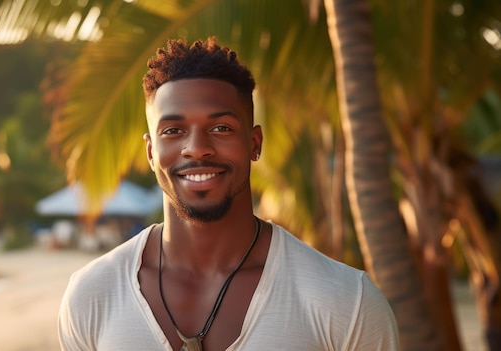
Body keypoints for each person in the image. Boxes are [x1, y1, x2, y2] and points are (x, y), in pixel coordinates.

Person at [58, 37, 400, 351]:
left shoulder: (345, 301)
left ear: (254, 143)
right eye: (173, 130)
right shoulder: (92, 295)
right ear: (150, 153)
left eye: (221, 128)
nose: (197, 149)